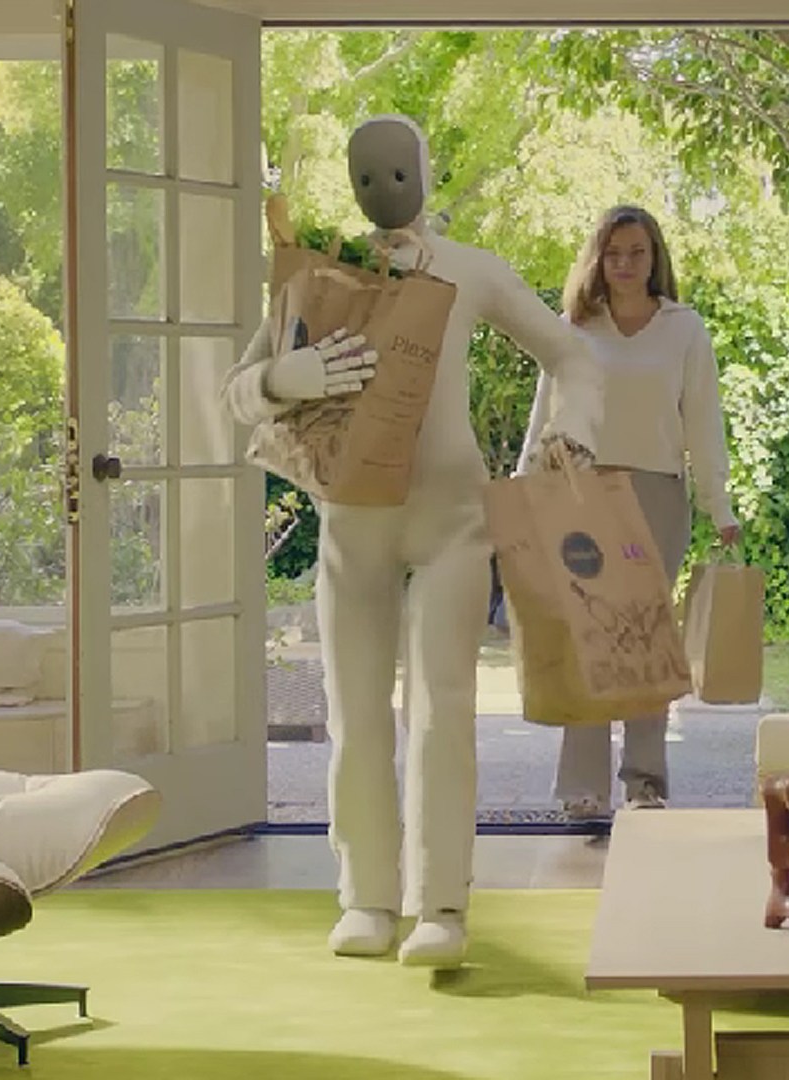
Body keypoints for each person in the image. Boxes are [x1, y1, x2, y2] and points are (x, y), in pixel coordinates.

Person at [223, 115, 602, 968]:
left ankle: (441, 904)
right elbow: (237, 391)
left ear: (425, 170)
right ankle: (365, 895)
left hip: (451, 522)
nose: (385, 185)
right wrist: (284, 376)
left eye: (399, 168)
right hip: (352, 523)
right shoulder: (321, 274)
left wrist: (570, 430)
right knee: (354, 715)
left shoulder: (471, 272)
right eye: (368, 172)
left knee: (443, 709)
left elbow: (570, 355)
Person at [517, 204, 739, 820]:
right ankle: (582, 787)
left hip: (657, 496)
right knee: (586, 636)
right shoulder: (574, 327)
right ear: (598, 259)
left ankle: (645, 782)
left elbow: (703, 423)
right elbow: (545, 413)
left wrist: (718, 504)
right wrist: (524, 489)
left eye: (636, 252)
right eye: (613, 253)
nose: (624, 264)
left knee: (645, 641)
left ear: (654, 257)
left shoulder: (684, 329)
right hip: (583, 492)